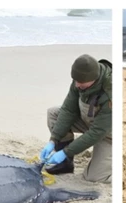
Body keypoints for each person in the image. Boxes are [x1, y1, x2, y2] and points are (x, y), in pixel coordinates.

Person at [40, 54, 113, 183]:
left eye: (81, 83)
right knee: (53, 114)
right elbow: (68, 109)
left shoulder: (111, 92)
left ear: (94, 79)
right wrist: (53, 140)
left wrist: (65, 152)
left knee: (94, 178)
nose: (77, 85)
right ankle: (65, 165)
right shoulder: (79, 81)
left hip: (107, 135)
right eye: (75, 81)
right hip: (88, 122)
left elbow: (97, 132)